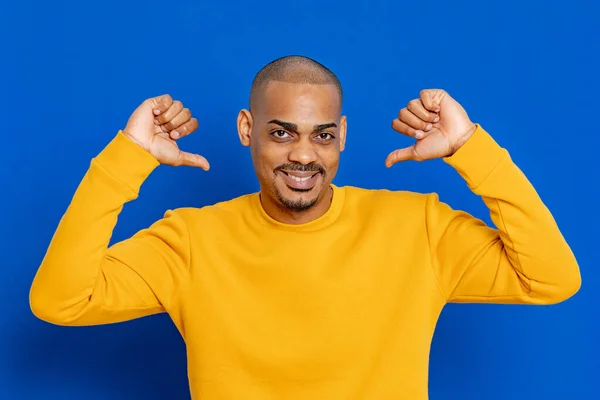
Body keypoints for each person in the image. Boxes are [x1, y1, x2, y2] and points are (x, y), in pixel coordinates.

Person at [29, 55, 581, 399]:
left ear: (341, 135)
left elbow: (552, 279)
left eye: (321, 135)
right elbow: (60, 301)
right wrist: (128, 158)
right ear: (247, 130)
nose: (302, 155)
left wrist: (470, 149)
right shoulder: (191, 242)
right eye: (281, 132)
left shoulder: (418, 228)